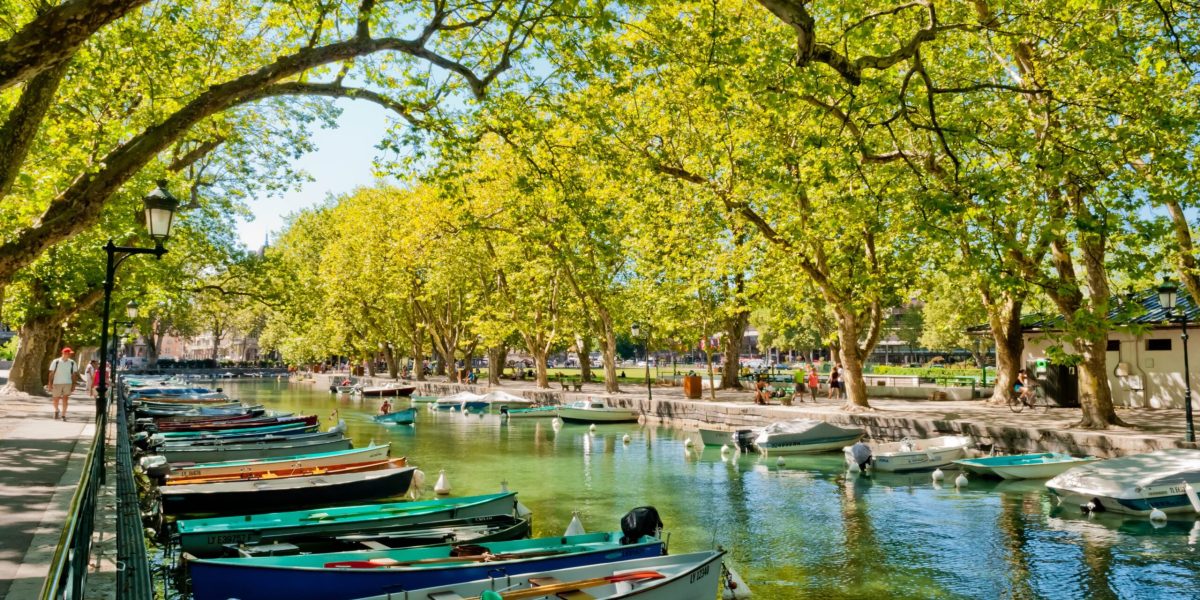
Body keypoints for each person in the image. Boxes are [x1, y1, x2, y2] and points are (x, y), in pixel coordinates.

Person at [47, 347, 77, 421]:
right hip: (57, 383)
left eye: (70, 354)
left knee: (65, 399)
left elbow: (74, 374)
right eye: (68, 353)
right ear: (64, 353)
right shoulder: (56, 361)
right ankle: (56, 410)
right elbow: (51, 373)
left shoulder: (72, 362)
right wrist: (50, 383)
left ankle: (63, 415)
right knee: (55, 399)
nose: (69, 355)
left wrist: (74, 385)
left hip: (68, 383)